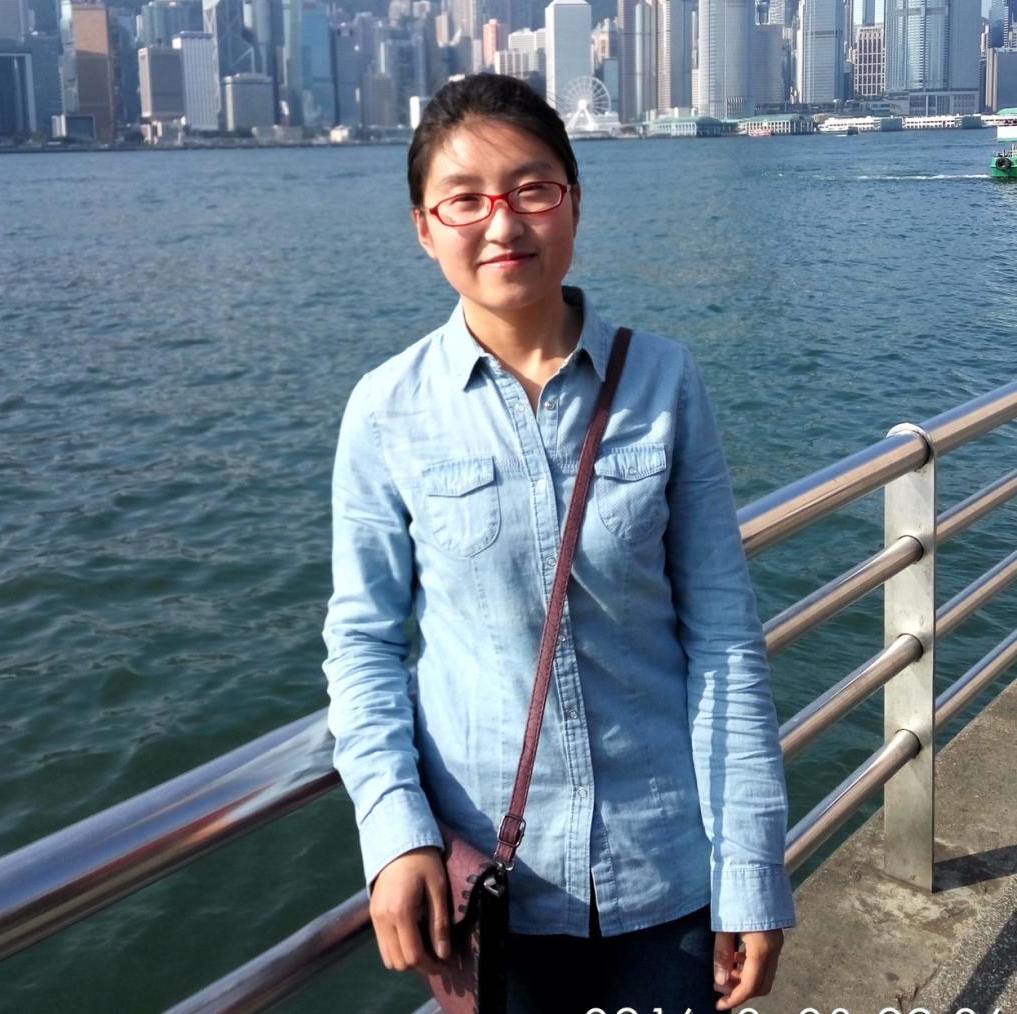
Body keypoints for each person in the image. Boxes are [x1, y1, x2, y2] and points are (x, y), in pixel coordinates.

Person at [322, 73, 796, 1013]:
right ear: (425, 228)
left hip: (667, 874)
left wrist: (750, 867)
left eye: (533, 189)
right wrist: (395, 830)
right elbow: (363, 642)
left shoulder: (664, 380)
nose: (503, 223)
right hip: (498, 892)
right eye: (464, 199)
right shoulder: (386, 410)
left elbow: (724, 638)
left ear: (574, 202)